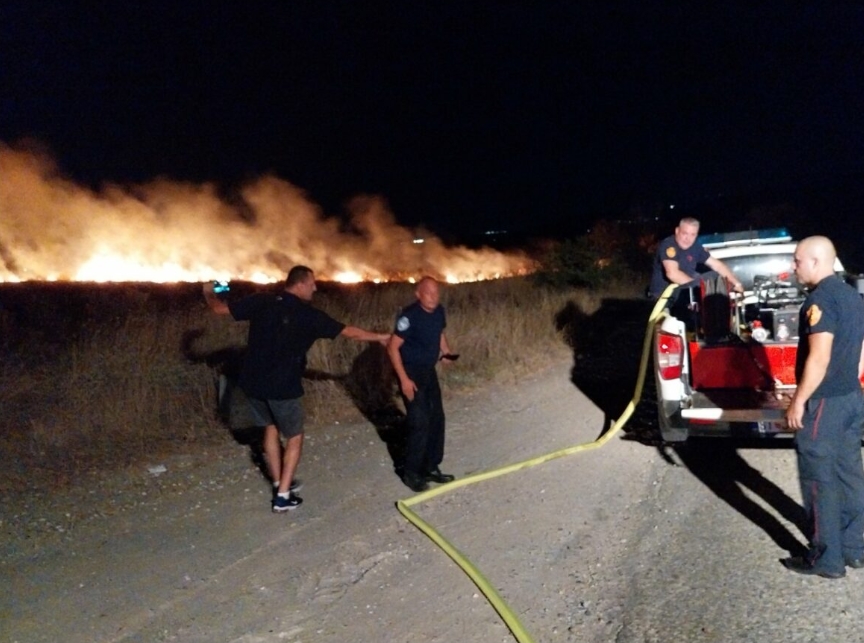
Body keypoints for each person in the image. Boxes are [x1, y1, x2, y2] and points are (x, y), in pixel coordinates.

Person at [203, 265, 390, 513]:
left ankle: (281, 481)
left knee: (270, 428)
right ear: (299, 284)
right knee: (295, 436)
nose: (315, 287)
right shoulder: (309, 315)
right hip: (283, 386)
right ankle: (282, 497)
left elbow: (218, 308)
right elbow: (350, 333)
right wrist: (380, 337)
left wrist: (207, 290)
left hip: (253, 384)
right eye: (312, 283)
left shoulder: (263, 301)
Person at [782, 236, 864, 578]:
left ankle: (826, 559)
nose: (794, 266)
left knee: (819, 479)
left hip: (825, 404)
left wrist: (798, 401)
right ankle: (855, 549)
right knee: (849, 475)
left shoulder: (820, 300)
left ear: (816, 261)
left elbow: (819, 356)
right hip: (851, 399)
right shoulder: (852, 295)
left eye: (798, 260)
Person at [387, 276, 457, 492]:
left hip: (428, 372)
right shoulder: (409, 317)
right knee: (419, 422)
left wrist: (446, 352)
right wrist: (404, 380)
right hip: (411, 374)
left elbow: (439, 333)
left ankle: (431, 466)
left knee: (437, 419)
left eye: (436, 293)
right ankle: (412, 472)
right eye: (428, 293)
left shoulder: (438, 312)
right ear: (418, 294)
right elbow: (392, 348)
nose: (433, 297)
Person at [648, 217, 744, 299]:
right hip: (663, 298)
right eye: (685, 233)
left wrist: (736, 283)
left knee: (714, 276)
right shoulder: (669, 245)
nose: (688, 238)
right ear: (677, 231)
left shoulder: (695, 247)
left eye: (692, 235)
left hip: (684, 296)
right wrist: (699, 289)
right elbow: (672, 274)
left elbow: (717, 265)